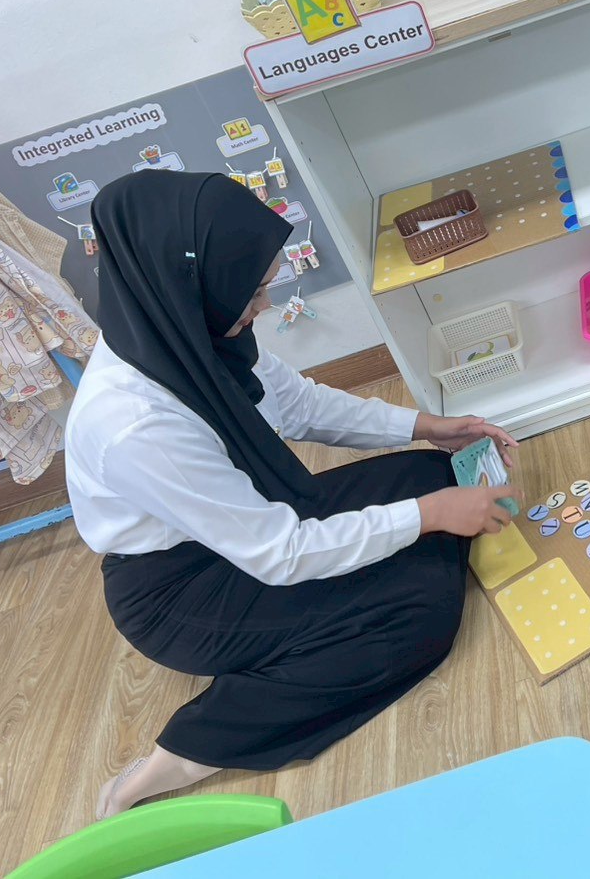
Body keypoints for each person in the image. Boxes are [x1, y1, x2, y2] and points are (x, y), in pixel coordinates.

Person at [65, 171, 518, 819]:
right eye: (254, 293)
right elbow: (280, 553)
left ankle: (347, 601)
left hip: (243, 524)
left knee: (428, 472)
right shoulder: (135, 425)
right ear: (194, 287)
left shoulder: (188, 333)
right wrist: (431, 517)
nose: (265, 306)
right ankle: (180, 757)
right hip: (180, 590)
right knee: (418, 616)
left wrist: (428, 426)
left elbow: (300, 404)